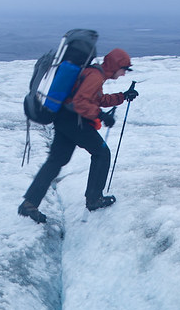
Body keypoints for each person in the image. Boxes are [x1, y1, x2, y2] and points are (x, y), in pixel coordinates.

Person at [18, 48, 139, 224]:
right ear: (115, 66)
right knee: (101, 153)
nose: (123, 74)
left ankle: (29, 204)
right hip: (74, 122)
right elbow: (81, 103)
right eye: (123, 70)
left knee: (56, 161)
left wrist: (122, 96)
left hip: (64, 119)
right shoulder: (95, 76)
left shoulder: (95, 74)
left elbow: (96, 99)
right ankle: (94, 199)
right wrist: (101, 116)